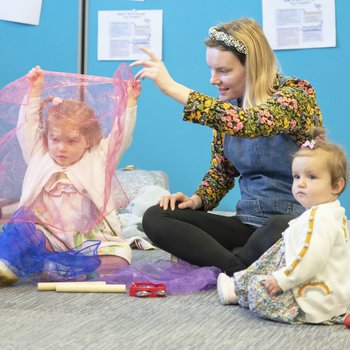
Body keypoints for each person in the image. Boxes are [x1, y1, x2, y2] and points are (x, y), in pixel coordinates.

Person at [131, 17, 323, 274]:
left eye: (223, 71)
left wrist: (172, 88)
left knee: (280, 228)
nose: (213, 80)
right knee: (156, 217)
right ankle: (238, 269)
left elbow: (249, 123)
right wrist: (197, 200)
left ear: (253, 67)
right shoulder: (228, 109)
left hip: (294, 224)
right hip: (247, 225)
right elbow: (222, 171)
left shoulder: (297, 95)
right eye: (211, 70)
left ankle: (232, 263)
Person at [0, 66, 141, 285]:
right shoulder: (39, 153)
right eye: (55, 139)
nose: (61, 148)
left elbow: (122, 135)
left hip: (89, 240)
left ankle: (63, 267)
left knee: (119, 261)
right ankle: (13, 265)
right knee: (21, 231)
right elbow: (26, 126)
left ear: (89, 140)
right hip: (49, 236)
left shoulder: (99, 157)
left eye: (72, 141)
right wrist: (35, 90)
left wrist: (130, 102)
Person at [216, 129, 350, 324]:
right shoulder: (329, 212)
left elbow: (310, 258)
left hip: (315, 297)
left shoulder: (320, 218)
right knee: (278, 250)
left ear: (336, 186)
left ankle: (240, 291)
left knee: (262, 296)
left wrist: (283, 279)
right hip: (328, 292)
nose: (301, 183)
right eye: (296, 177)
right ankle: (239, 285)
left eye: (311, 177)